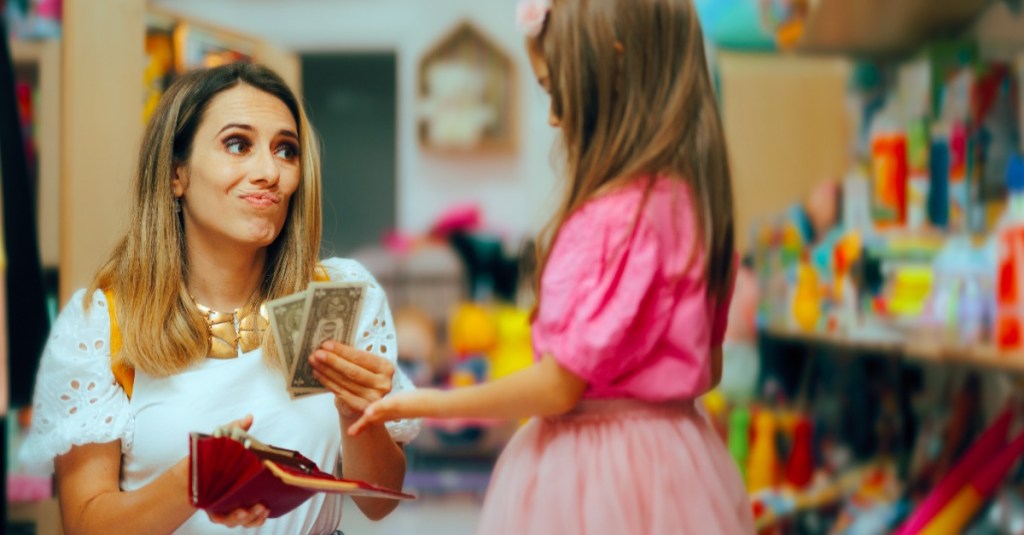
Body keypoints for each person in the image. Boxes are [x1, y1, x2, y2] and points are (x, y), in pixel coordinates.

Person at [349, 0, 755, 532]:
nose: (553, 116)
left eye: (551, 88)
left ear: (608, 68)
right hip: (678, 458)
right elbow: (711, 370)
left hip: (595, 473)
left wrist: (427, 402)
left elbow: (559, 387)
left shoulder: (612, 218)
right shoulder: (691, 207)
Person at [19, 62, 419, 534]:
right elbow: (87, 526)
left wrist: (359, 415)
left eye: (285, 151)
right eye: (238, 144)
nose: (270, 172)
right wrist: (198, 479)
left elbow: (377, 502)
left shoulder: (330, 298)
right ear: (176, 174)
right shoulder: (102, 323)